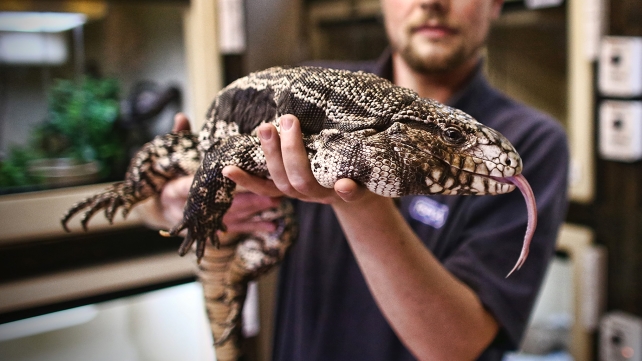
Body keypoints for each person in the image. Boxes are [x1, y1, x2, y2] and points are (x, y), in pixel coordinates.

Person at [147, 0, 569, 359]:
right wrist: (172, 202)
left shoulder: (534, 143)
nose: (432, 1)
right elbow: (174, 191)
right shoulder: (310, 89)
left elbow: (456, 348)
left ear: (497, 3)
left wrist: (359, 196)